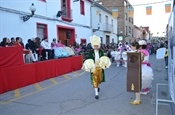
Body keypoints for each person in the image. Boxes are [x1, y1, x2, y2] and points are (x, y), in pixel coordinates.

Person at [130, 40, 154, 105]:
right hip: (146, 68)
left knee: (137, 83)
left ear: (140, 46)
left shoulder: (141, 52)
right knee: (144, 81)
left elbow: (139, 61)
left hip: (141, 68)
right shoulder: (146, 51)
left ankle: (137, 100)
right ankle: (144, 91)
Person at [87, 35, 106, 100]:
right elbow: (89, 59)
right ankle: (96, 93)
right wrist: (92, 65)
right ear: (93, 46)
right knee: (94, 80)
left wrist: (103, 63)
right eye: (94, 46)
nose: (96, 47)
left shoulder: (101, 52)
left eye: (97, 46)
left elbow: (103, 59)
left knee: (99, 80)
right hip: (94, 68)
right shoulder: (91, 52)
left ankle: (97, 87)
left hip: (100, 68)